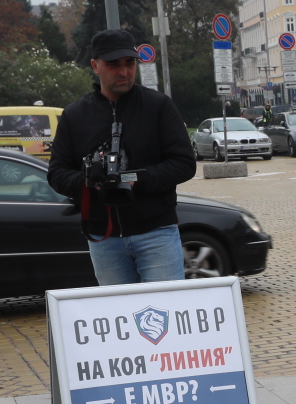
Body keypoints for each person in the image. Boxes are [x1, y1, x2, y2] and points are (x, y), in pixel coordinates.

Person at [48, 28, 199, 285]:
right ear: (95, 66)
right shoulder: (75, 115)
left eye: (130, 63)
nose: (124, 72)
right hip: (103, 237)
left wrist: (135, 178)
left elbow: (184, 164)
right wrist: (88, 180)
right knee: (120, 318)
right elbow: (57, 173)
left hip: (156, 232)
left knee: (164, 314)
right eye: (113, 64)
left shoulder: (158, 106)